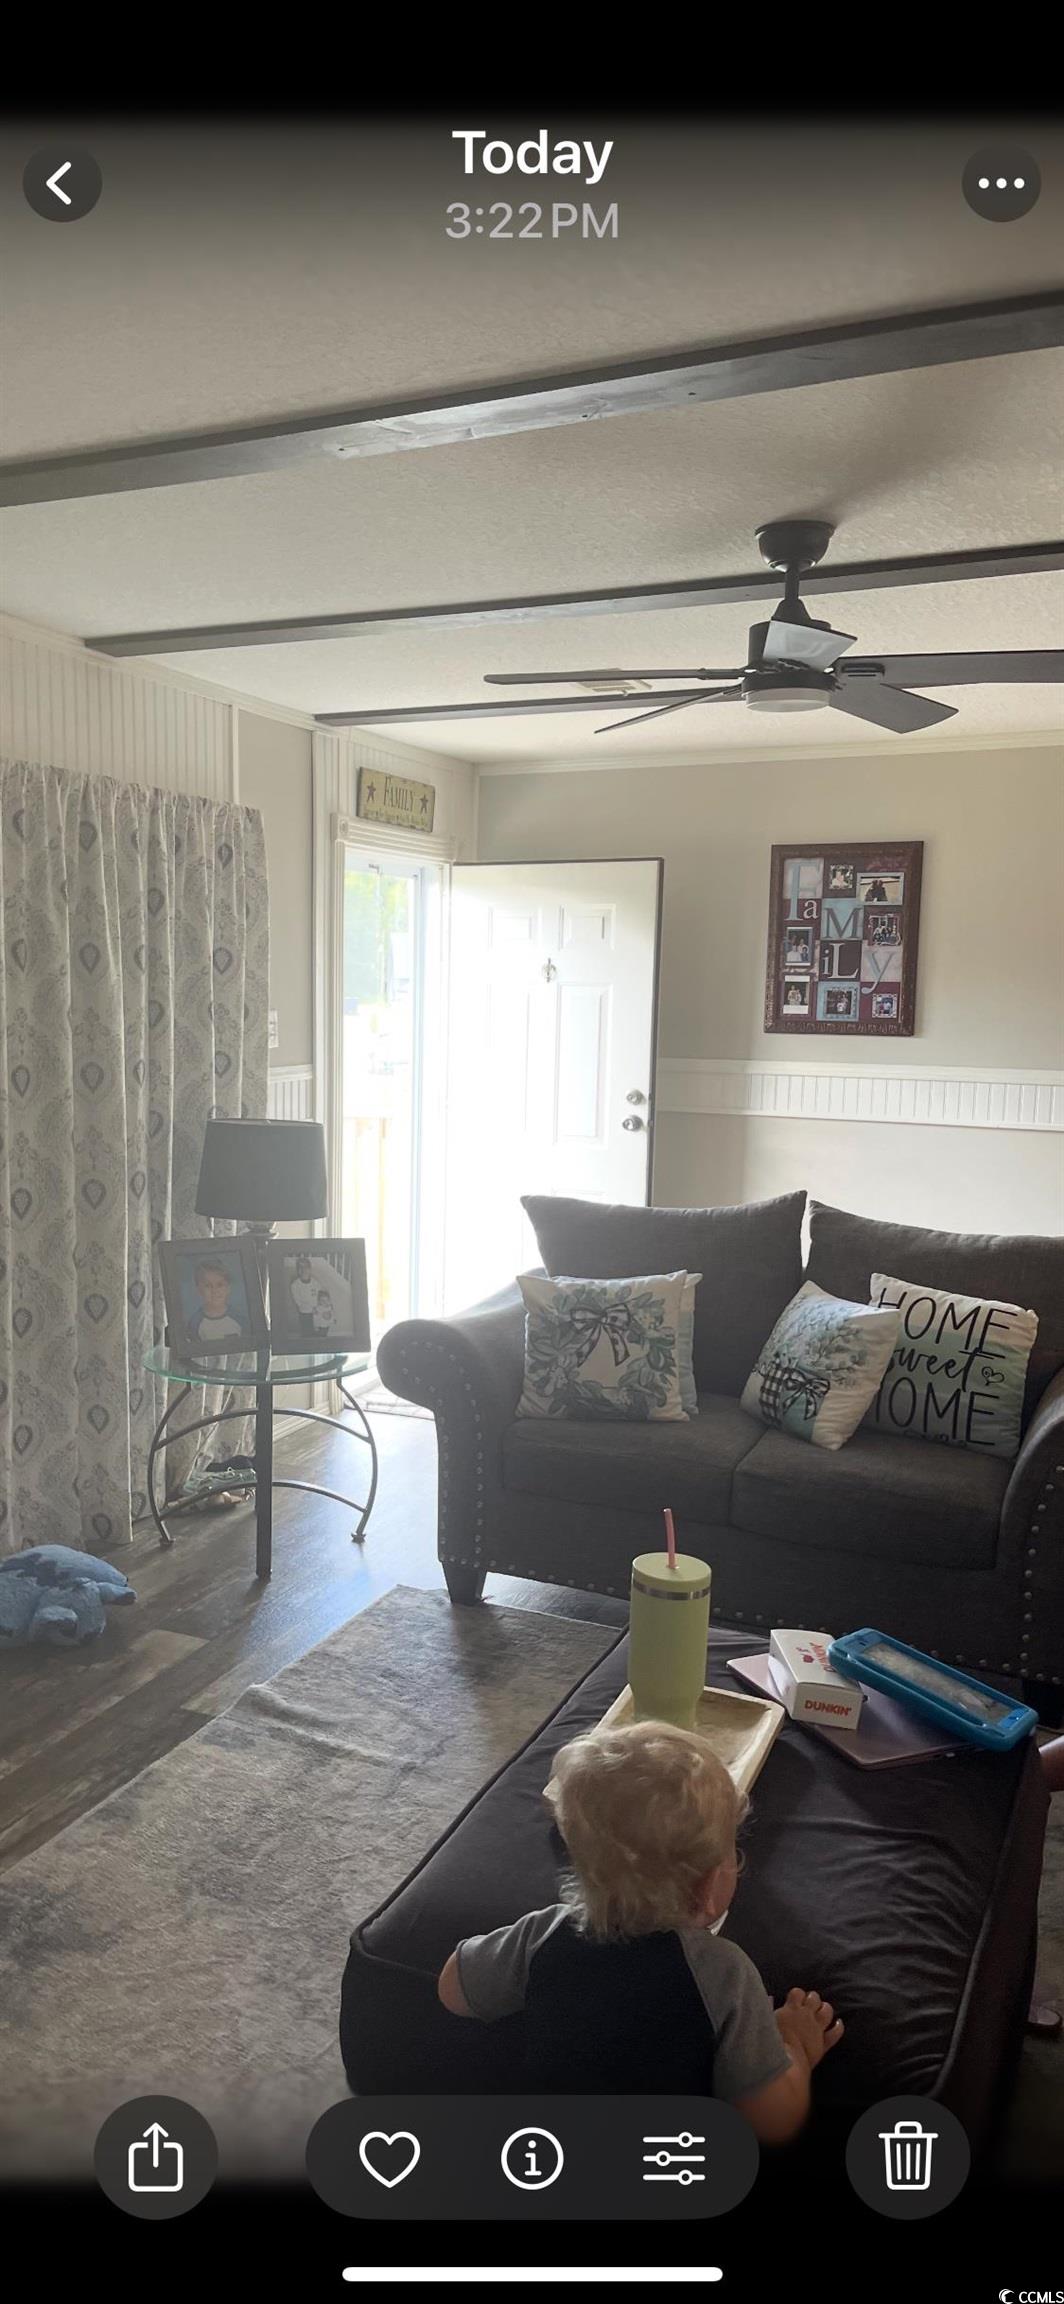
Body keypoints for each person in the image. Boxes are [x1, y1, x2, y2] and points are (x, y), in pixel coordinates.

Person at [437, 1720, 843, 2138]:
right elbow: (771, 2122)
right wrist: (794, 2045)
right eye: (731, 1850)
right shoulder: (722, 1973)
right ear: (707, 1888)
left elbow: (453, 1990)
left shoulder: (545, 1932)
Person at [187, 1259, 244, 1345]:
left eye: (220, 1285)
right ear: (199, 1290)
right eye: (208, 1286)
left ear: (228, 1288)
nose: (214, 1291)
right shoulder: (194, 1323)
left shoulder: (240, 1319)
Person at [288, 1254, 317, 1337]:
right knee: (306, 1330)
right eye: (301, 1267)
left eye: (306, 1267)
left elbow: (319, 1293)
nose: (304, 1270)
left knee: (315, 1328)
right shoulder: (295, 1285)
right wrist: (309, 1307)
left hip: (315, 1311)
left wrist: (317, 1306)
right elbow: (298, 1300)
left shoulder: (315, 1282)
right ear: (298, 1270)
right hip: (304, 1311)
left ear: (310, 1269)